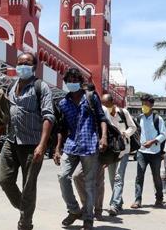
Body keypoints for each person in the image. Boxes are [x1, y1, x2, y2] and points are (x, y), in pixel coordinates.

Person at [0, 52, 54, 230]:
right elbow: (4, 116)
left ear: (34, 67)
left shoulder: (41, 87)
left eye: (26, 63)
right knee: (5, 180)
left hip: (32, 144)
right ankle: (25, 209)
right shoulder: (12, 85)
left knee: (28, 185)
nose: (22, 66)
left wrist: (42, 145)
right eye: (19, 63)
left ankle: (25, 223)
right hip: (11, 141)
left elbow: (48, 117)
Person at [54, 68, 108, 230]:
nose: (71, 83)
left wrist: (103, 137)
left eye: (74, 80)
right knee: (63, 176)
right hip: (71, 145)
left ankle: (88, 218)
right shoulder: (63, 103)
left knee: (89, 184)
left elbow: (102, 118)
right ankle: (74, 210)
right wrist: (57, 148)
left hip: (90, 144)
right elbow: (61, 128)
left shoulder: (90, 98)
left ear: (80, 82)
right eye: (68, 81)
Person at [101, 93, 137, 216]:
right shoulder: (103, 114)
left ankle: (114, 204)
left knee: (118, 177)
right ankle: (119, 201)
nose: (104, 107)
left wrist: (125, 134)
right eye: (103, 105)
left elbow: (133, 127)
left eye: (106, 105)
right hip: (111, 152)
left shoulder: (123, 112)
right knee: (112, 178)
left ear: (112, 103)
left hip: (124, 150)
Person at [131, 94, 166, 209]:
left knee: (156, 176)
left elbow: (163, 134)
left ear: (151, 105)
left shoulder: (158, 119)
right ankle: (137, 200)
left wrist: (152, 142)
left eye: (146, 104)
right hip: (142, 152)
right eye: (143, 104)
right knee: (139, 176)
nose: (144, 106)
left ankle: (159, 199)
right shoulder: (139, 118)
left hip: (155, 152)